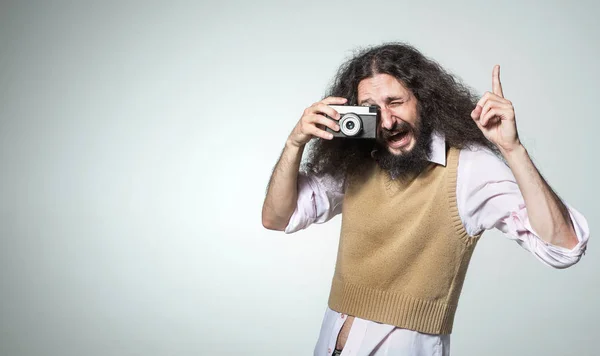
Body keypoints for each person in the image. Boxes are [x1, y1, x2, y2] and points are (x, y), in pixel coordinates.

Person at [261, 43, 589, 356]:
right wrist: (294, 144)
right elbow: (278, 218)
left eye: (395, 101)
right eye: (372, 110)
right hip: (331, 341)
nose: (387, 121)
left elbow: (563, 247)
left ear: (423, 99)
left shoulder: (468, 168)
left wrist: (512, 150)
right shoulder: (357, 162)